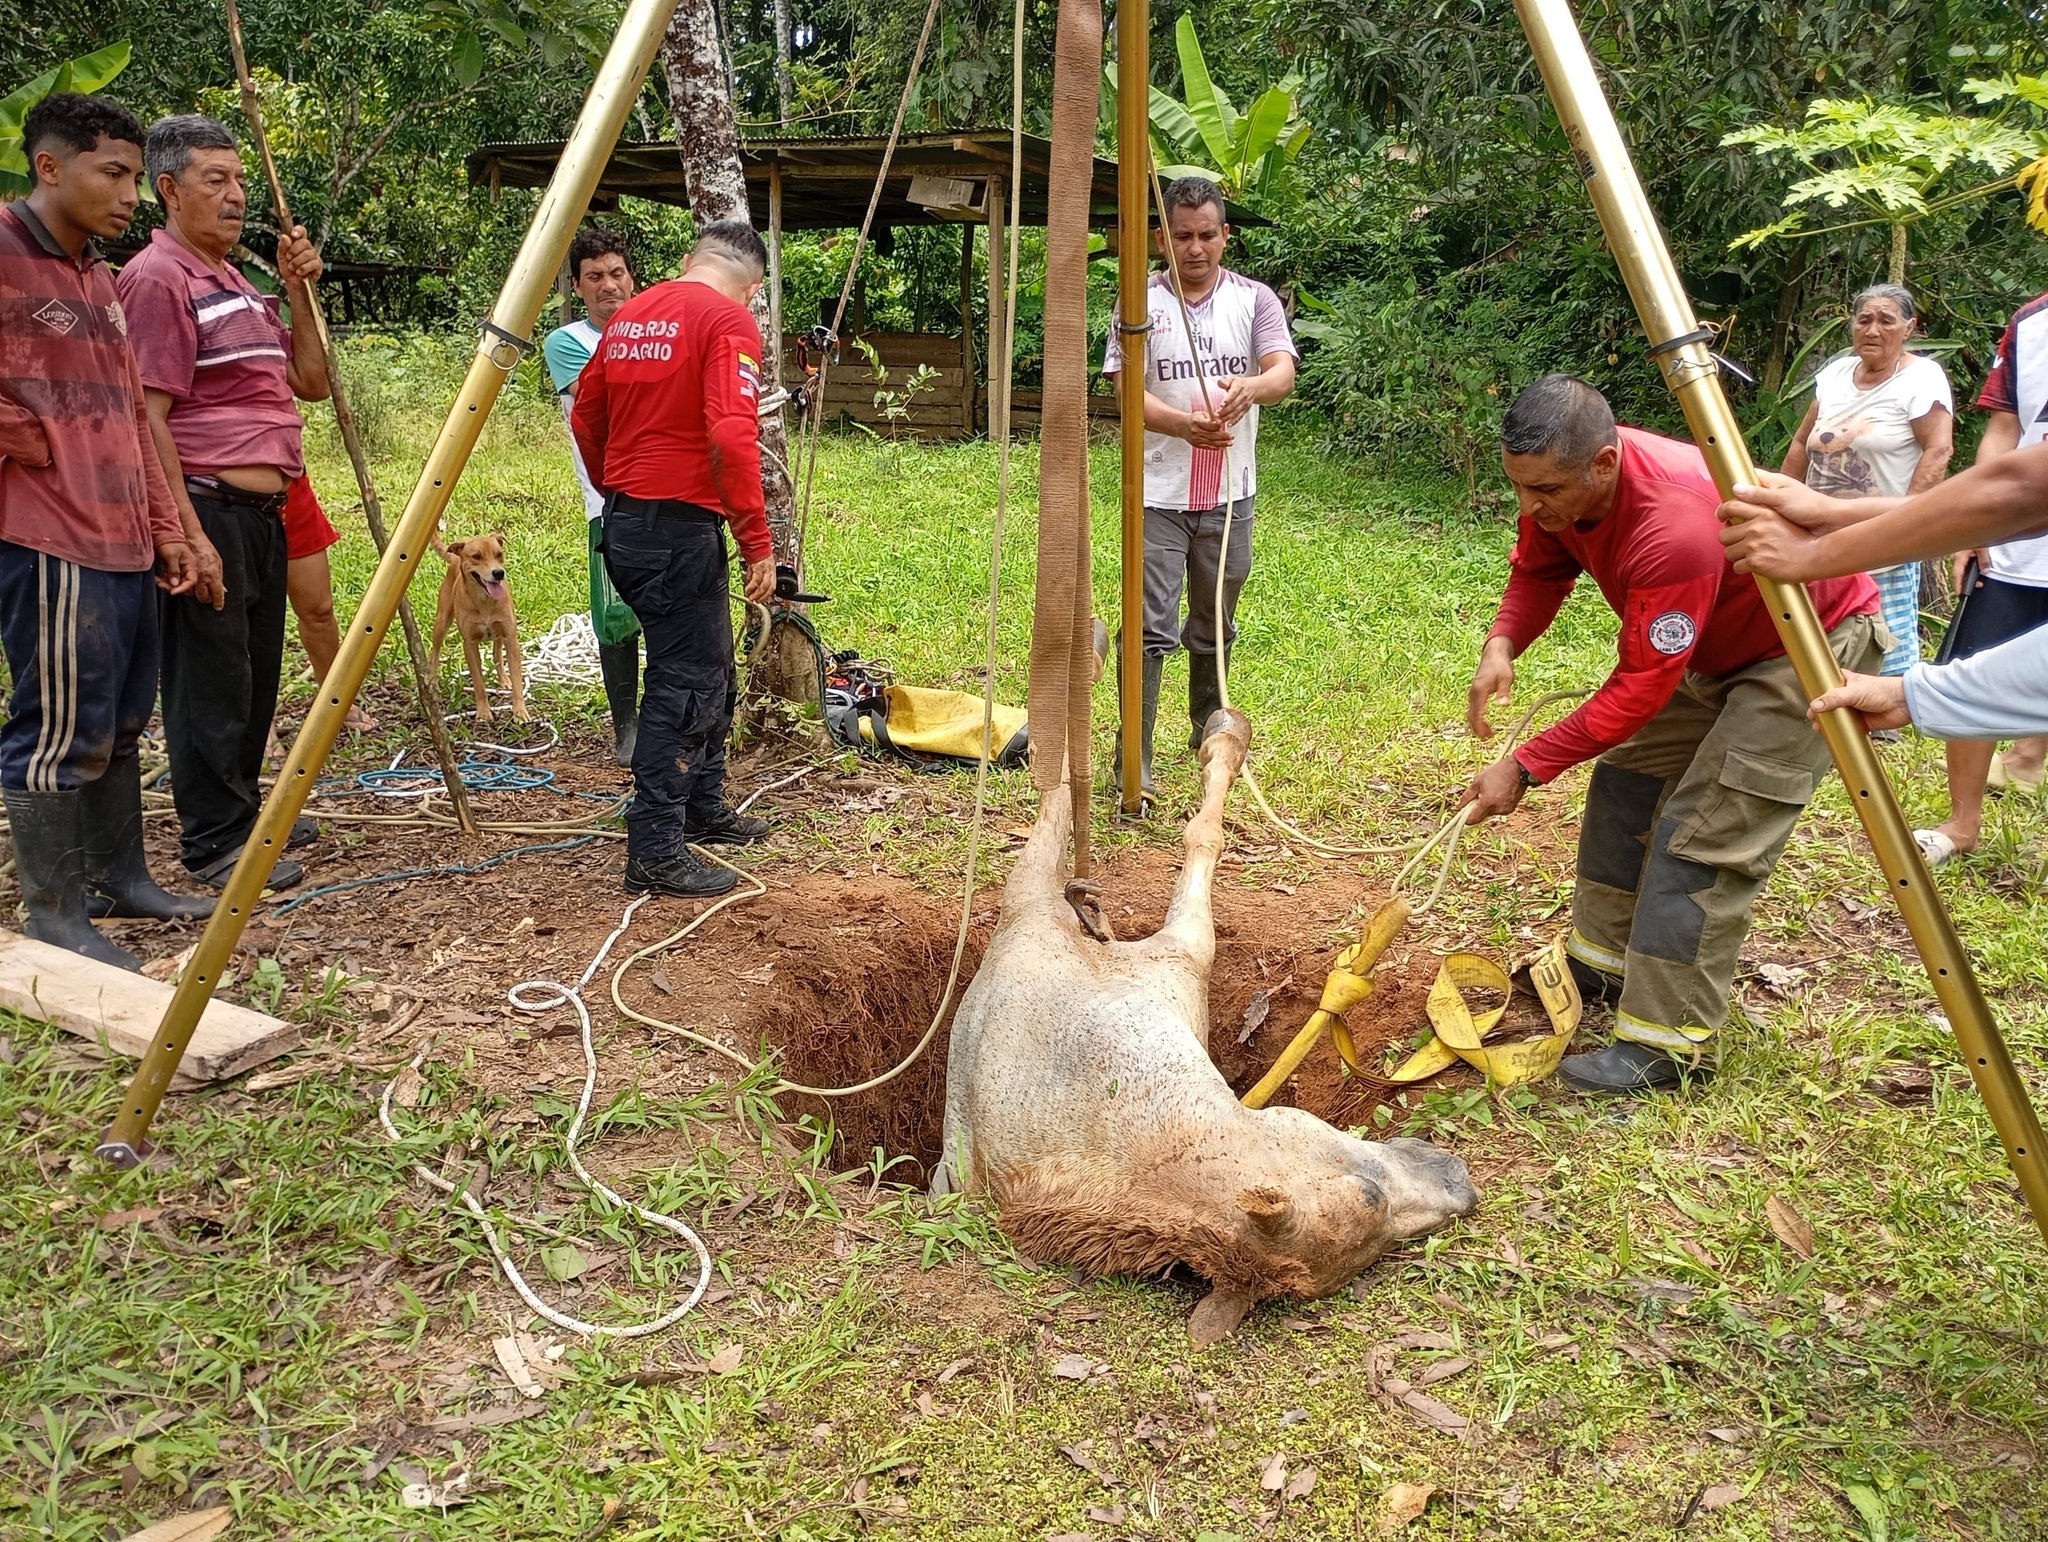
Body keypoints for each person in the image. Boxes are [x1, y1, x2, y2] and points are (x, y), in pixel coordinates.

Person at [1456, 375, 1882, 1095]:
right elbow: (1541, 567)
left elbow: (1636, 692)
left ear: (1604, 463)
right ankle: (1603, 962)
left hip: (1804, 646)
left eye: (1546, 491)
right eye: (1520, 488)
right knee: (1626, 781)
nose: (1531, 507)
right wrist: (1503, 643)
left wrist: (1524, 766)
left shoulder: (1674, 526)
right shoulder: (1560, 488)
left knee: (1706, 831)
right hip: (1713, 645)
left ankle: (1666, 1045)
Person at [0, 94, 214, 968]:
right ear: (50, 167)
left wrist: (168, 529)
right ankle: (50, 909)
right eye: (112, 174)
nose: (130, 194)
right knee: (58, 727)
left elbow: (131, 415)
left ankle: (120, 876)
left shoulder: (97, 277)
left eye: (134, 176)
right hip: (50, 538)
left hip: (123, 538)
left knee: (121, 720)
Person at [117, 114, 329, 891]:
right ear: (169, 190)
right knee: (210, 674)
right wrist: (183, 529)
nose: (237, 195)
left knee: (252, 671)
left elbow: (310, 380)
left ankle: (244, 812)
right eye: (217, 181)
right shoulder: (158, 277)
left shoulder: (239, 280)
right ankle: (213, 839)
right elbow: (148, 416)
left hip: (263, 514)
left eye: (240, 180)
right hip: (209, 505)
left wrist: (300, 290)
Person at [570, 220, 778, 899]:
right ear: (750, 291)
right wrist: (757, 541)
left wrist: (619, 491)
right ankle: (656, 848)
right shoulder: (727, 323)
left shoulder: (632, 314)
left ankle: (701, 806)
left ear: (691, 262)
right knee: (682, 684)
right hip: (677, 528)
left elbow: (585, 416)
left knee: (710, 664)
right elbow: (730, 433)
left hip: (633, 522)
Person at [1101, 175, 1297, 802]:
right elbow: (1124, 392)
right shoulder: (1139, 303)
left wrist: (1251, 388)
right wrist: (1185, 425)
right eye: (1182, 236)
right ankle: (1135, 756)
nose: (1194, 248)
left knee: (1216, 619)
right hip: (1158, 493)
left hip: (1231, 495)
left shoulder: (1255, 300)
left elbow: (1282, 372)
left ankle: (1207, 732)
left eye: (1206, 235)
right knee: (1150, 626)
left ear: (1224, 236)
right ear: (1162, 239)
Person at [1780, 282, 1952, 679]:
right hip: (1819, 530)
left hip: (1881, 529)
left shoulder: (1921, 378)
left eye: (1886, 321)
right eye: (1864, 320)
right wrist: (1777, 508)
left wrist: (1908, 519)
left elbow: (1938, 451)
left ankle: (1882, 722)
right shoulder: (1836, 374)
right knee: (1823, 621)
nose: (1873, 330)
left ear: (1909, 328)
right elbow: (1801, 443)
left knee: (1880, 628)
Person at [543, 227, 641, 765]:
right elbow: (604, 402)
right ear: (577, 288)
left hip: (670, 496)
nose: (609, 285)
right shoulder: (567, 343)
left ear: (632, 276)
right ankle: (626, 728)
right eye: (595, 277)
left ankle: (671, 723)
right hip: (608, 500)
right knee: (616, 614)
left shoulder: (656, 328)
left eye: (617, 273)